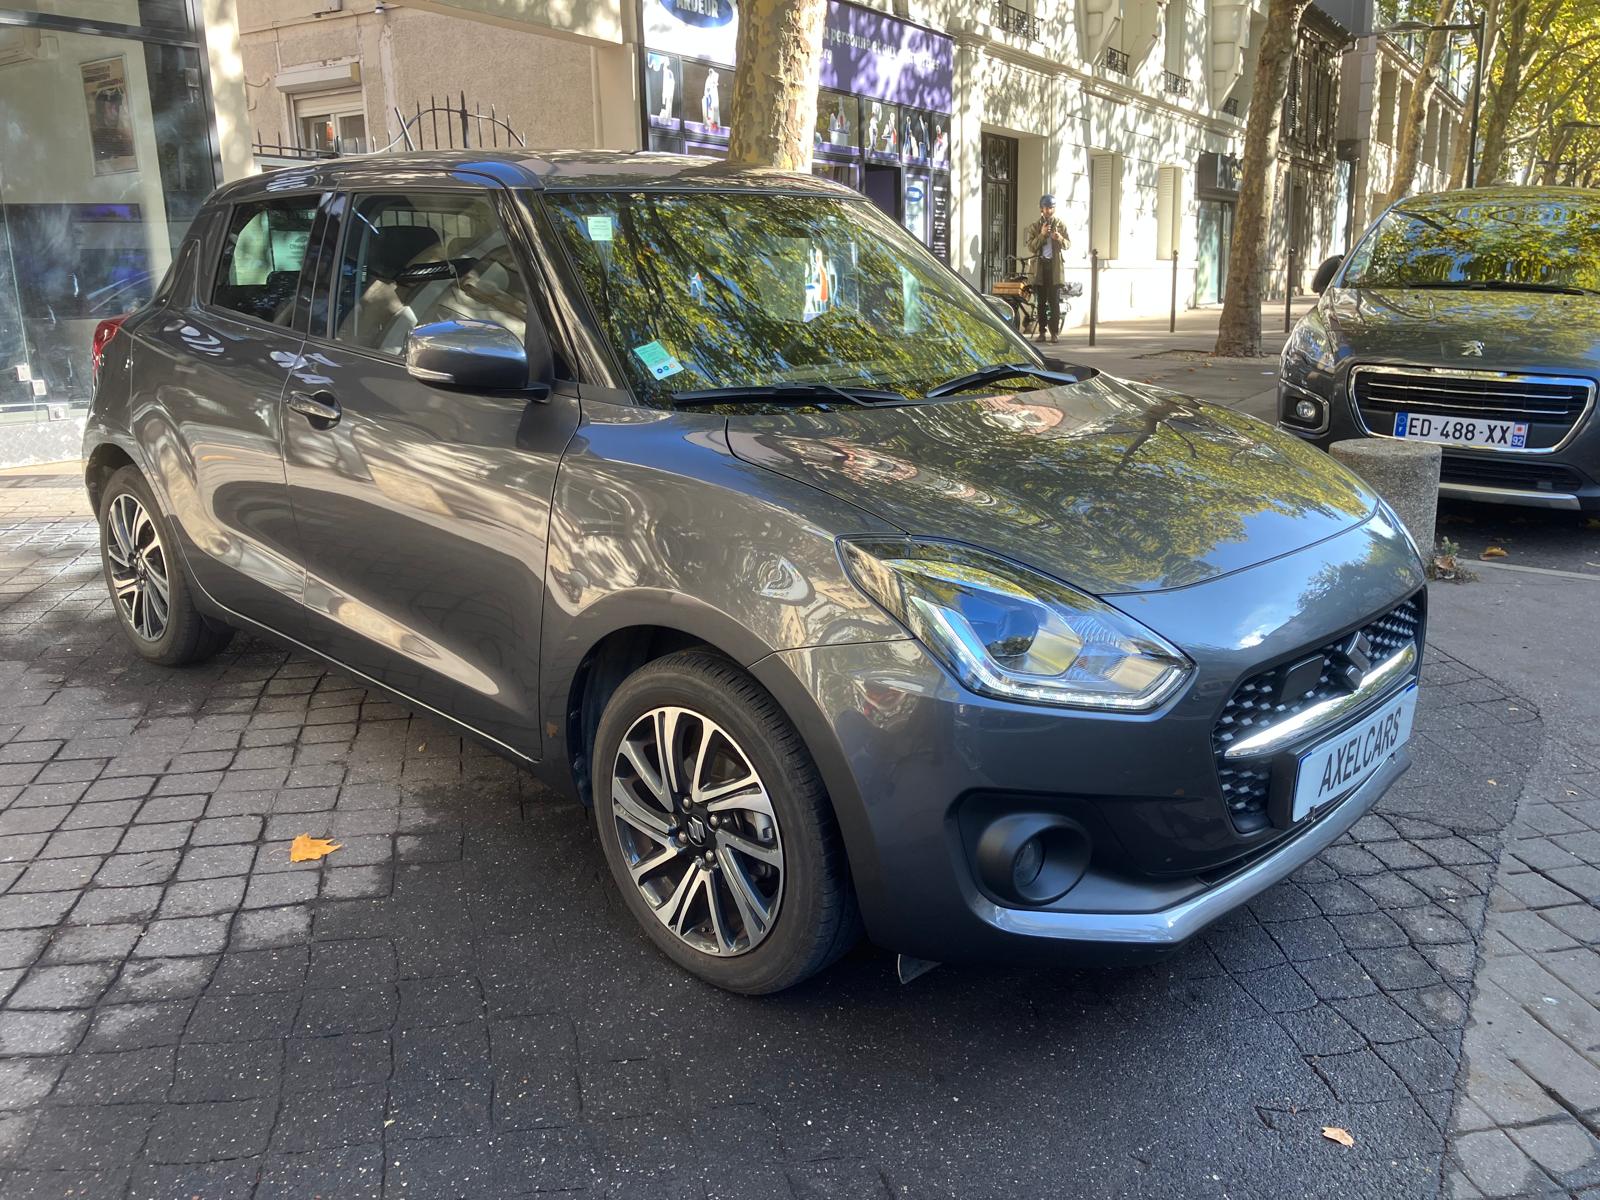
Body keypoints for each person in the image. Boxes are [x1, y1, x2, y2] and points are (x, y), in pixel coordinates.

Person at [1025, 194, 1068, 343]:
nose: (1048, 211)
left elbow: (1068, 244)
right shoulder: (1035, 227)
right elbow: (1031, 247)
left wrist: (1060, 238)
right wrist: (1042, 235)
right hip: (1040, 268)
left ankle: (1054, 333)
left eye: (1051, 208)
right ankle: (1042, 332)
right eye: (1046, 208)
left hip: (1055, 268)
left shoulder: (1060, 225)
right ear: (1041, 209)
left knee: (1054, 302)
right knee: (1041, 302)